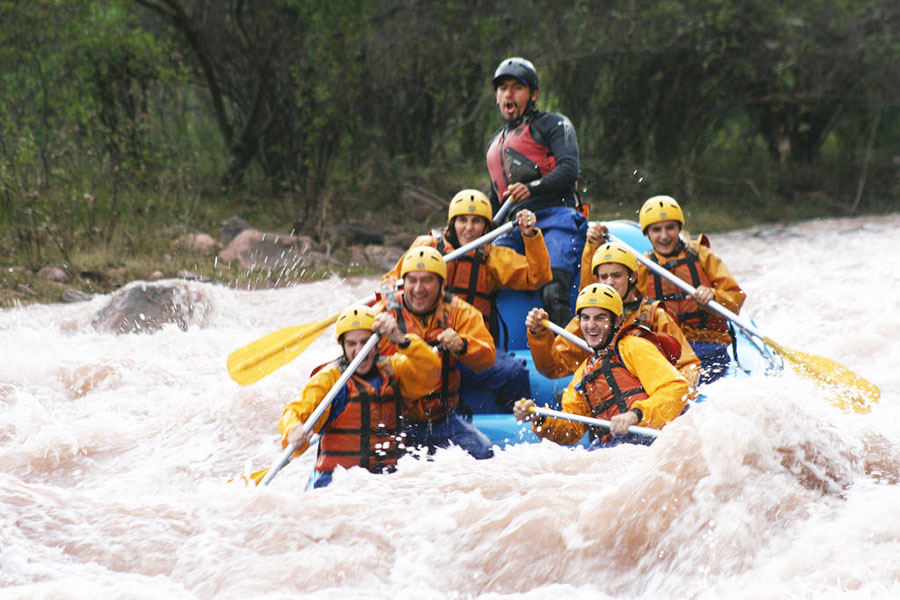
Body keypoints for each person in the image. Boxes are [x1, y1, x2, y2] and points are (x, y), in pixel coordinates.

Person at [382, 188, 551, 410]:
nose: (469, 228)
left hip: (466, 346)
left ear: (486, 227)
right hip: (419, 344)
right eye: (463, 220)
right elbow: (389, 283)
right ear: (452, 223)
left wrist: (530, 235)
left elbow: (537, 276)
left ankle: (516, 416)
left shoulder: (493, 258)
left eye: (476, 221)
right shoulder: (427, 247)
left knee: (514, 372)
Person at [278, 305, 442, 489]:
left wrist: (401, 339)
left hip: (389, 477)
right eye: (352, 344)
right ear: (342, 345)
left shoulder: (394, 370)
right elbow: (295, 411)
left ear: (377, 343)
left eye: (365, 342)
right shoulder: (330, 379)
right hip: (338, 480)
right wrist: (293, 429)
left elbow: (431, 373)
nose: (359, 350)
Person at [514, 284, 691, 448]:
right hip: (615, 448)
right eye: (585, 318)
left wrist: (635, 414)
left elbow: (676, 388)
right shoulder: (585, 371)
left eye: (600, 318)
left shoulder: (633, 347)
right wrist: (539, 418)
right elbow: (571, 430)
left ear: (616, 321)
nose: (591, 326)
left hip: (654, 439)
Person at [486, 57, 588, 326]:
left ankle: (571, 357)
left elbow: (569, 169)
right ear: (497, 96)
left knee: (552, 288)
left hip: (555, 219)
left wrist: (532, 189)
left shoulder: (553, 125)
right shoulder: (494, 144)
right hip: (512, 229)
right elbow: (494, 200)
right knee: (478, 278)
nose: (508, 94)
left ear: (533, 95)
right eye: (503, 88)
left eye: (517, 87)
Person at [526, 240, 701, 387]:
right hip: (608, 400)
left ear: (631, 277)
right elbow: (554, 367)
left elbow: (688, 364)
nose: (610, 283)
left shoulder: (654, 314)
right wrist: (539, 334)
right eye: (604, 277)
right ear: (597, 280)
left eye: (616, 276)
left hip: (646, 397)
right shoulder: (589, 319)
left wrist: (672, 395)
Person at [378, 246, 497, 459]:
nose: (418, 289)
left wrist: (462, 345)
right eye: (412, 281)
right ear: (403, 283)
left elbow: (488, 358)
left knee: (485, 453)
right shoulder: (383, 314)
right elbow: (353, 360)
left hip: (442, 420)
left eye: (427, 280)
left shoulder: (459, 311)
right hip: (398, 421)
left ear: (441, 284)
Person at [635, 195, 746, 384]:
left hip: (708, 345)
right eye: (656, 230)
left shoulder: (702, 256)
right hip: (667, 352)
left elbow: (735, 299)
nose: (664, 236)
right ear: (647, 233)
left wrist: (714, 296)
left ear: (679, 228)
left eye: (670, 227)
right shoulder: (643, 268)